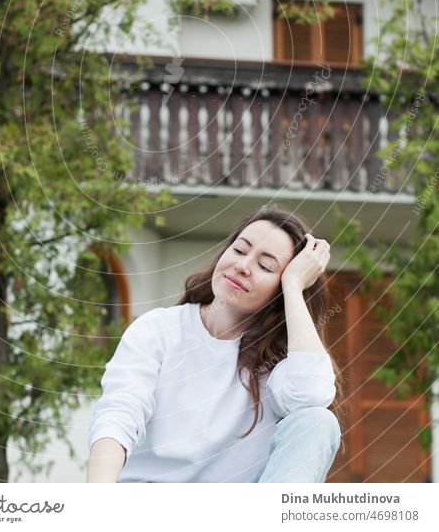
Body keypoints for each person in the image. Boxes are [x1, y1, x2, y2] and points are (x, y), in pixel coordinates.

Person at [86, 204, 345, 483]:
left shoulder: (279, 365)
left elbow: (313, 396)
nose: (243, 266)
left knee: (318, 422)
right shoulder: (159, 329)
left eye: (266, 266)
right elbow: (118, 416)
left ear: (278, 290)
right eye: (240, 249)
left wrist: (294, 285)